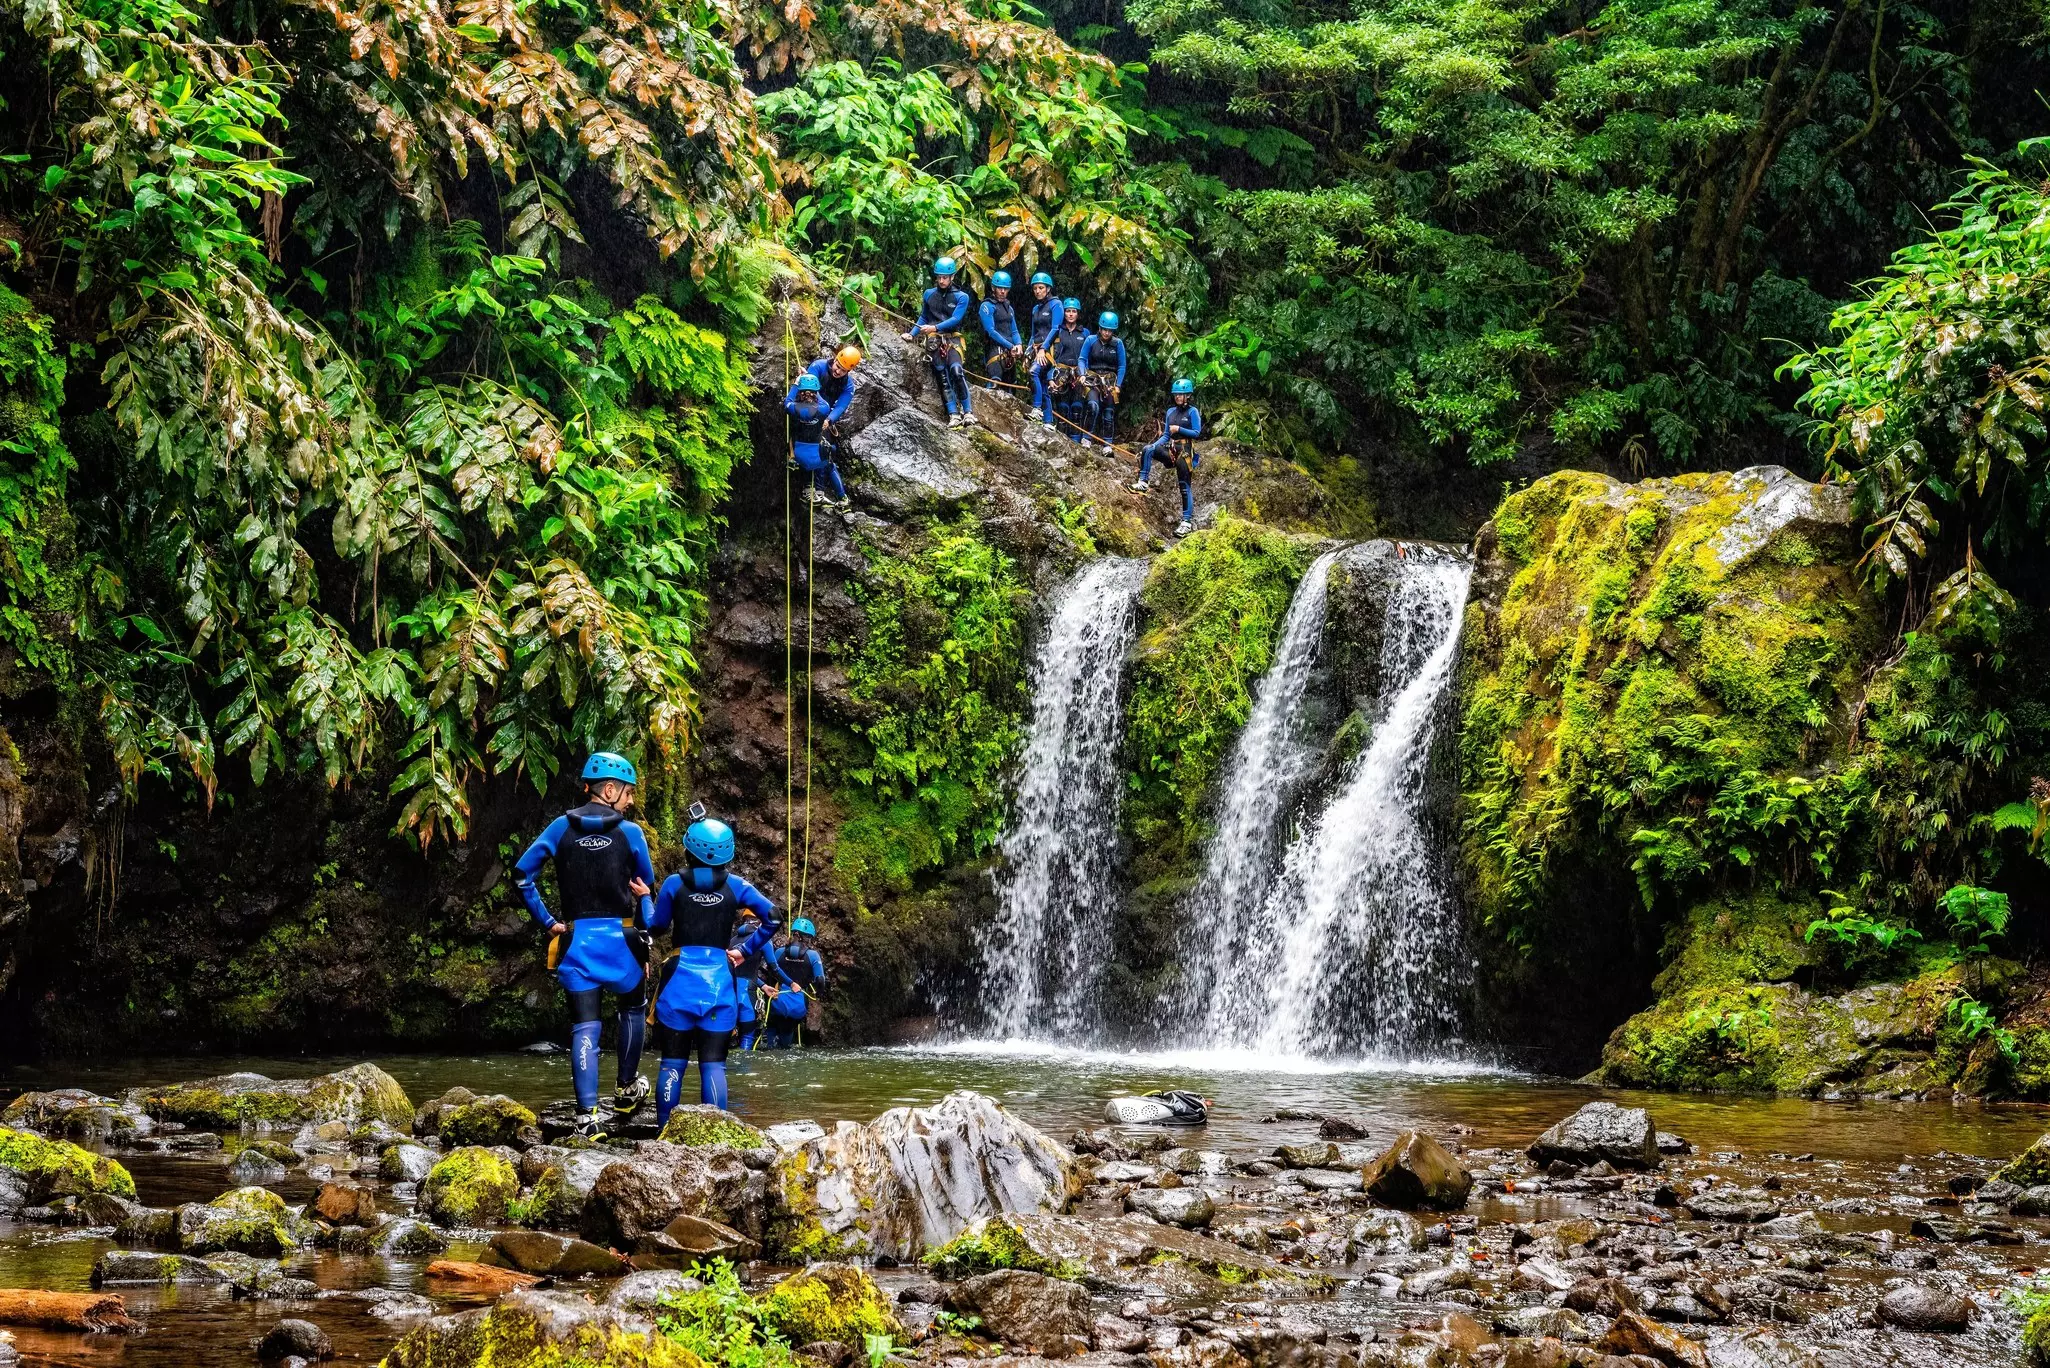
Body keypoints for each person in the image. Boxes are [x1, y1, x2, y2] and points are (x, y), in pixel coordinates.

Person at [513, 752, 657, 1140]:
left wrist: (548, 923)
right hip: (622, 941)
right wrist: (645, 936)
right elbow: (646, 886)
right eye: (627, 793)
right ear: (609, 790)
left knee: (585, 1025)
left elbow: (522, 875)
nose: (629, 801)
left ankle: (587, 1117)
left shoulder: (560, 828)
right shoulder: (631, 833)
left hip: (576, 940)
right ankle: (626, 1090)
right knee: (632, 1009)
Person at [646, 803, 778, 1119]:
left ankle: (664, 1133)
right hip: (719, 982)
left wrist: (641, 898)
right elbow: (773, 918)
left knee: (673, 1062)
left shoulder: (673, 885)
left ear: (689, 848)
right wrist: (746, 951)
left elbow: (656, 926)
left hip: (679, 982)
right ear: (727, 853)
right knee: (714, 1063)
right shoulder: (738, 887)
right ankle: (714, 1138)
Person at [1132, 377, 1205, 537]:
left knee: (1184, 486)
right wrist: (1154, 446)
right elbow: (1166, 435)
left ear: (1188, 396)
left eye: (1181, 394)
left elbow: (1197, 433)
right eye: (1176, 394)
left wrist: (1179, 428)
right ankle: (1143, 482)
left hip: (1185, 450)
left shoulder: (1192, 412)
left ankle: (1186, 522)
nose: (1178, 397)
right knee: (1147, 449)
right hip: (1171, 448)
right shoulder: (1171, 412)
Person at [906, 257, 975, 426]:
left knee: (957, 371)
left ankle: (968, 412)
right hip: (934, 340)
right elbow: (923, 316)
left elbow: (956, 319)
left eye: (945, 277)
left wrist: (934, 328)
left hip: (952, 338)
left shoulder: (961, 297)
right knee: (942, 375)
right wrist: (912, 334)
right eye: (939, 277)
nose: (942, 280)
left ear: (952, 277)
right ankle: (953, 414)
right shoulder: (929, 294)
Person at [783, 373, 849, 506]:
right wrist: (813, 388)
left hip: (799, 455)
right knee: (829, 463)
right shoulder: (823, 409)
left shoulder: (793, 408)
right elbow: (823, 401)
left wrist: (796, 384)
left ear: (801, 393)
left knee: (807, 460)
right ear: (816, 391)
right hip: (817, 456)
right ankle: (842, 499)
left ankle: (808, 490)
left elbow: (787, 401)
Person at [762, 917, 826, 1049]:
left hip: (778, 1000)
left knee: (772, 1028)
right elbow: (820, 980)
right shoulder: (813, 955)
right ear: (805, 937)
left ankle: (769, 1045)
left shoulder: (779, 952)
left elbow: (771, 975)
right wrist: (819, 993)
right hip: (798, 1004)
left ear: (794, 934)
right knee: (787, 1035)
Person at [805, 344, 862, 469]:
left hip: (825, 417)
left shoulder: (848, 386)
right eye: (838, 366)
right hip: (808, 406)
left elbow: (841, 407)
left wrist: (828, 420)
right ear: (835, 359)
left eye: (843, 370)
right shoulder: (818, 366)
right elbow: (809, 389)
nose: (838, 371)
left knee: (826, 449)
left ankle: (819, 484)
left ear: (849, 371)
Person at [1077, 311, 1126, 451]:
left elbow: (1122, 366)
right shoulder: (1091, 340)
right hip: (1093, 379)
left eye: (1109, 331)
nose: (1106, 333)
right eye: (1104, 329)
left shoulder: (1118, 344)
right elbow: (1082, 359)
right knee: (1093, 406)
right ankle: (1086, 438)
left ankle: (1107, 444)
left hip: (1110, 382)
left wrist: (1118, 385)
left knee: (1108, 412)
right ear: (1099, 328)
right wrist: (1082, 374)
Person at [1045, 298, 1089, 438]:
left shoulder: (1085, 333)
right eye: (1068, 311)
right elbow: (1051, 357)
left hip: (1078, 374)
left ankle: (1075, 442)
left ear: (1078, 314)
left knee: (1077, 408)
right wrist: (1050, 377)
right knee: (1063, 408)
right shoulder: (1057, 332)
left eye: (1073, 311)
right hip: (1061, 374)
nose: (1070, 314)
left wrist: (1085, 374)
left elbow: (1088, 357)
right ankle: (1062, 439)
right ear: (1064, 313)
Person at [979, 271, 1026, 392]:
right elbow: (991, 331)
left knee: (1011, 386)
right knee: (995, 381)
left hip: (1010, 352)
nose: (1003, 291)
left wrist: (1019, 345)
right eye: (1000, 288)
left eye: (1005, 289)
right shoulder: (987, 306)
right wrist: (1011, 346)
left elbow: (1014, 330)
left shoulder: (1009, 308)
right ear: (993, 288)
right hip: (994, 349)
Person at [729, 909, 768, 1052]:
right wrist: (791, 983)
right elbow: (774, 968)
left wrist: (763, 986)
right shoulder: (761, 940)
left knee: (728, 1034)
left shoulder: (731, 941)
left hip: (730, 993)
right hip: (747, 994)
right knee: (748, 1033)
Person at [1025, 273, 1060, 430]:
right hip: (1037, 348)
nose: (1037, 291)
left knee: (1034, 372)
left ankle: (1037, 409)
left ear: (1048, 288)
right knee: (1044, 384)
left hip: (1050, 349)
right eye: (1035, 288)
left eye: (1040, 288)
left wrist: (1044, 349)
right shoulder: (1035, 309)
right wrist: (1027, 351)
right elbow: (1034, 333)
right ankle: (1048, 421)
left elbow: (1055, 328)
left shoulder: (1056, 304)